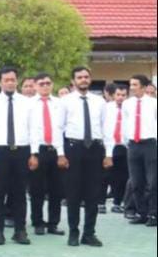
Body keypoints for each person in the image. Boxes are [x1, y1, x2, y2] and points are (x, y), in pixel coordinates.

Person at [59, 66, 111, 246]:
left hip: (95, 150)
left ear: (90, 79)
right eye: (79, 77)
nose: (83, 80)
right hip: (74, 149)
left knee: (93, 194)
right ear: (73, 81)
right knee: (73, 193)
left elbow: (106, 129)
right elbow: (59, 129)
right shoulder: (65, 101)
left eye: (86, 77)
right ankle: (73, 232)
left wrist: (108, 154)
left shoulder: (99, 102)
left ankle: (89, 233)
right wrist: (60, 154)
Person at [0, 67, 33, 245]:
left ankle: (20, 230)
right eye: (7, 80)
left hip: (22, 150)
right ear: (0, 83)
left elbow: (33, 129)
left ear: (17, 81)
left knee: (20, 193)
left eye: (13, 79)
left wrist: (33, 153)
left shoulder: (27, 103)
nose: (10, 83)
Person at [27, 73, 66, 235]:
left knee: (56, 190)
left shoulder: (60, 104)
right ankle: (37, 222)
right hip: (38, 151)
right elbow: (27, 130)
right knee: (37, 189)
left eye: (48, 83)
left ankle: (53, 223)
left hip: (56, 150)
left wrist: (62, 154)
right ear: (35, 86)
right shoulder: (28, 104)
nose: (45, 86)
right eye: (41, 83)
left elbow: (62, 129)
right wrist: (32, 154)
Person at [123, 74, 157, 227]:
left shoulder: (154, 103)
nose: (131, 88)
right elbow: (125, 123)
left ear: (143, 87)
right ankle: (141, 213)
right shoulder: (127, 104)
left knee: (153, 182)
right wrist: (127, 142)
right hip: (133, 145)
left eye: (135, 85)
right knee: (136, 182)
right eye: (131, 85)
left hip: (150, 144)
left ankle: (153, 214)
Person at [102, 83, 130, 214]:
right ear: (114, 95)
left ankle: (117, 202)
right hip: (108, 145)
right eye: (118, 94)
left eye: (123, 95)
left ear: (127, 95)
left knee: (122, 176)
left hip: (124, 146)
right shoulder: (106, 108)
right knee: (105, 175)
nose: (120, 97)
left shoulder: (130, 108)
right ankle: (100, 202)